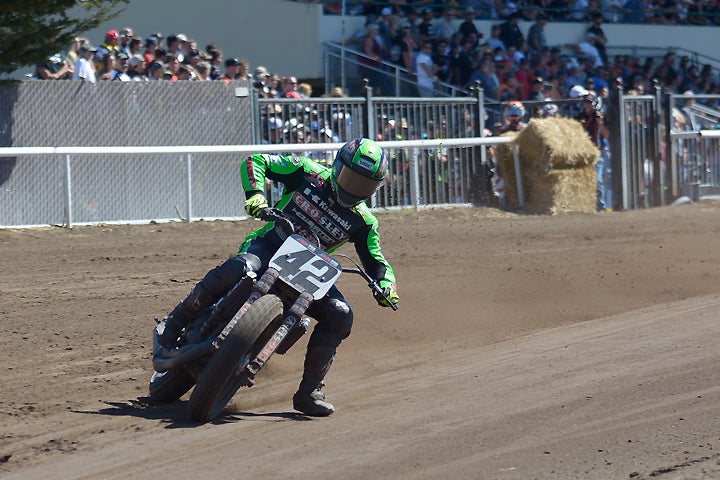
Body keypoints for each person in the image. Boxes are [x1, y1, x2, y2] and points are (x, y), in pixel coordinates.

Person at [157, 138, 399, 417]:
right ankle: (175, 321)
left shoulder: (365, 221)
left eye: (363, 185)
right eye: (350, 178)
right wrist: (256, 195)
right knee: (241, 268)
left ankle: (310, 391)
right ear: (336, 166)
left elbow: (376, 261)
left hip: (309, 271)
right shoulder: (307, 172)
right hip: (270, 245)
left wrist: (386, 285)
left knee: (341, 313)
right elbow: (256, 160)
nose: (353, 188)